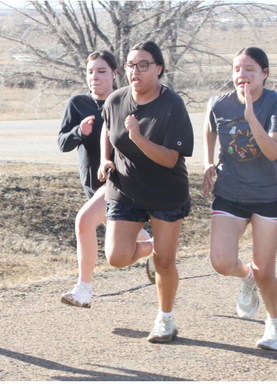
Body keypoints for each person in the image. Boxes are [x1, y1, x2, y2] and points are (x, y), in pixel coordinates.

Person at [98, 41, 194, 343]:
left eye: (143, 65)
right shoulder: (115, 99)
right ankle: (155, 248)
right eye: (130, 65)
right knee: (116, 257)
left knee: (166, 262)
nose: (134, 71)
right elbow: (107, 127)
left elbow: (170, 159)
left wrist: (137, 137)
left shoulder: (172, 105)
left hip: (166, 192)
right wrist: (106, 158)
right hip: (126, 189)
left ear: (158, 69)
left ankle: (165, 320)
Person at [203, 47, 277, 351]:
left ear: (264, 74)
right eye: (237, 70)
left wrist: (250, 115)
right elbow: (209, 127)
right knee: (221, 261)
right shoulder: (219, 103)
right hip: (230, 193)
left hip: (268, 196)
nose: (241, 76)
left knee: (265, 269)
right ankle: (246, 278)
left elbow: (272, 151)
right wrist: (207, 162)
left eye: (250, 70)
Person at [58, 51, 151, 308]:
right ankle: (158, 247)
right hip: (92, 184)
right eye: (90, 72)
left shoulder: (126, 102)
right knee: (120, 237)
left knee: (84, 222)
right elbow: (63, 143)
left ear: (115, 74)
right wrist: (79, 131)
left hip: (119, 180)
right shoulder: (77, 104)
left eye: (101, 71)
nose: (95, 77)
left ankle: (83, 289)